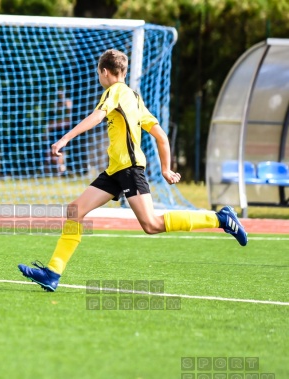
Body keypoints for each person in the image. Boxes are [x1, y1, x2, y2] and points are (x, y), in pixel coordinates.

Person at [18, 49, 247, 292]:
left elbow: (97, 116)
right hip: (116, 170)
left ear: (105, 72)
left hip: (128, 169)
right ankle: (53, 272)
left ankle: (220, 218)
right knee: (75, 210)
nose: (98, 76)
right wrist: (166, 169)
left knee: (151, 224)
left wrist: (64, 139)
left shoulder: (115, 91)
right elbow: (160, 135)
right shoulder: (135, 98)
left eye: (98, 72)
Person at [46, 89, 73, 175]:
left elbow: (69, 117)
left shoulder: (67, 103)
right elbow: (50, 122)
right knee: (54, 150)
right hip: (55, 131)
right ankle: (59, 169)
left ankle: (61, 169)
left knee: (61, 151)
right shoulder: (54, 105)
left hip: (64, 130)